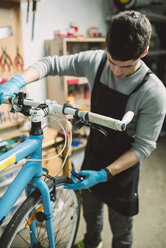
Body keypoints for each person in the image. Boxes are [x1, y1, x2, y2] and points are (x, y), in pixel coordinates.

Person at [0, 10, 166, 248]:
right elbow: (50, 64)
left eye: (126, 66)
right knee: (90, 215)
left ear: (144, 53)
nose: (117, 72)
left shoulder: (154, 92)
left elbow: (144, 146)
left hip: (122, 172)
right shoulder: (97, 62)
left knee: (121, 232)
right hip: (94, 154)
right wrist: (16, 82)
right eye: (113, 62)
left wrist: (103, 175)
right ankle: (92, 242)